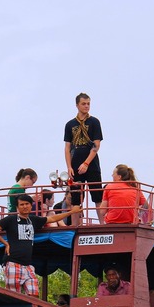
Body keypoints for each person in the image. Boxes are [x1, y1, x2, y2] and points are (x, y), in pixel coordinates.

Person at [0, 194, 80, 296]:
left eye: (27, 204)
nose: (24, 206)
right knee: (12, 295)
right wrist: (5, 243)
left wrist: (71, 212)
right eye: (21, 204)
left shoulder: (33, 220)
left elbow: (52, 219)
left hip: (27, 265)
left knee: (34, 294)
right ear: (17, 207)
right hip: (13, 262)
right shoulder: (10, 220)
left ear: (31, 206)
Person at [64, 92, 104, 225]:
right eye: (83, 104)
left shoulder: (94, 121)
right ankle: (74, 226)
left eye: (88, 104)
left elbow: (96, 145)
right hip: (75, 161)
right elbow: (67, 147)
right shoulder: (70, 124)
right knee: (76, 197)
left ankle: (102, 224)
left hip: (91, 163)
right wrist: (69, 166)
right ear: (77, 105)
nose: (86, 106)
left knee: (97, 194)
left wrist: (86, 163)